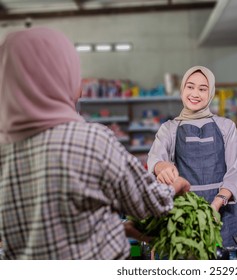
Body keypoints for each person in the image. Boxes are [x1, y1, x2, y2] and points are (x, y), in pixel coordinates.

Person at [0, 27, 190, 260]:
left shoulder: (5, 149)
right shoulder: (91, 140)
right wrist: (176, 185)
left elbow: (45, 231)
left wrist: (120, 229)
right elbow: (150, 203)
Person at [147, 66, 237, 247]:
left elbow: (235, 172)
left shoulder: (226, 127)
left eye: (202, 89)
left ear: (211, 93)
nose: (195, 93)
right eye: (190, 87)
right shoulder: (170, 129)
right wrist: (161, 166)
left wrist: (216, 204)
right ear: (182, 90)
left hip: (222, 210)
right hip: (185, 212)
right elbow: (155, 158)